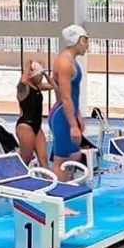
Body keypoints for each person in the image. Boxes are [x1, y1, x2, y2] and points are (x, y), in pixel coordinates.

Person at [48, 24, 89, 180]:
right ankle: (57, 197)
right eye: (85, 41)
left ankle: (68, 189)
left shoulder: (71, 61)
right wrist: (72, 125)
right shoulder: (64, 63)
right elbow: (64, 97)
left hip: (68, 113)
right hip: (62, 115)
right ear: (76, 40)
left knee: (75, 156)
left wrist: (78, 117)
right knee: (61, 160)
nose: (87, 46)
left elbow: (71, 95)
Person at [15, 59, 53, 166]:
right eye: (39, 75)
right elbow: (23, 81)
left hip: (37, 127)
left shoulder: (38, 87)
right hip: (25, 126)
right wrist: (28, 66)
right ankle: (16, 178)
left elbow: (54, 85)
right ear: (32, 75)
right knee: (26, 158)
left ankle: (48, 181)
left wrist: (45, 73)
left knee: (43, 158)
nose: (41, 77)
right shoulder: (23, 88)